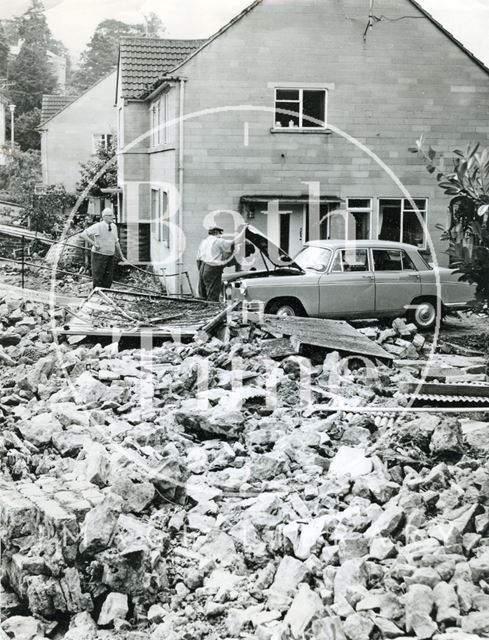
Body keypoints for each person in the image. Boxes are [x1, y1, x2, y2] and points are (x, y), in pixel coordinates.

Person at [79, 208, 126, 289]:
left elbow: (116, 242)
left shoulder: (114, 226)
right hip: (99, 256)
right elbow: (83, 234)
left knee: (108, 279)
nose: (113, 217)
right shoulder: (98, 226)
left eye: (113, 215)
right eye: (110, 215)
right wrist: (94, 244)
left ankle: (105, 296)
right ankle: (96, 296)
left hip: (110, 256)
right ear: (104, 217)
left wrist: (122, 257)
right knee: (98, 278)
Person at [197, 225, 246, 301]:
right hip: (212, 268)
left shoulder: (204, 242)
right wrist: (244, 232)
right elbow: (234, 242)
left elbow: (198, 259)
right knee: (213, 295)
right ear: (217, 232)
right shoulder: (218, 241)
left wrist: (201, 271)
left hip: (202, 267)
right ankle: (212, 311)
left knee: (203, 295)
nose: (221, 235)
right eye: (220, 233)